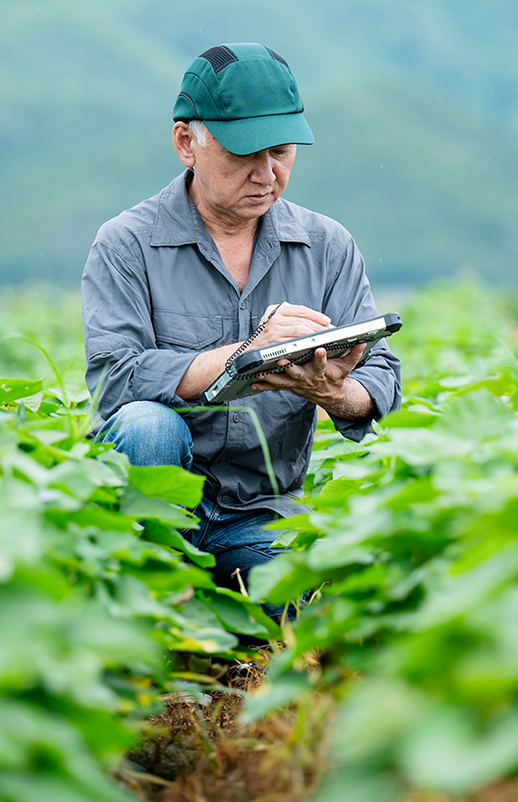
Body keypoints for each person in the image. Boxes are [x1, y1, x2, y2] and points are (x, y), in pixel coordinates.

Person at [81, 43, 401, 607]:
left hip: (259, 510)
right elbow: (116, 378)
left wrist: (335, 391)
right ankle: (149, 587)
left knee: (290, 609)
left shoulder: (326, 245)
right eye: (244, 154)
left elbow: (381, 378)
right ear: (187, 143)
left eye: (280, 152)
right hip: (156, 501)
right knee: (149, 427)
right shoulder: (126, 243)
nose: (266, 173)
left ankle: (214, 602)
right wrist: (244, 354)